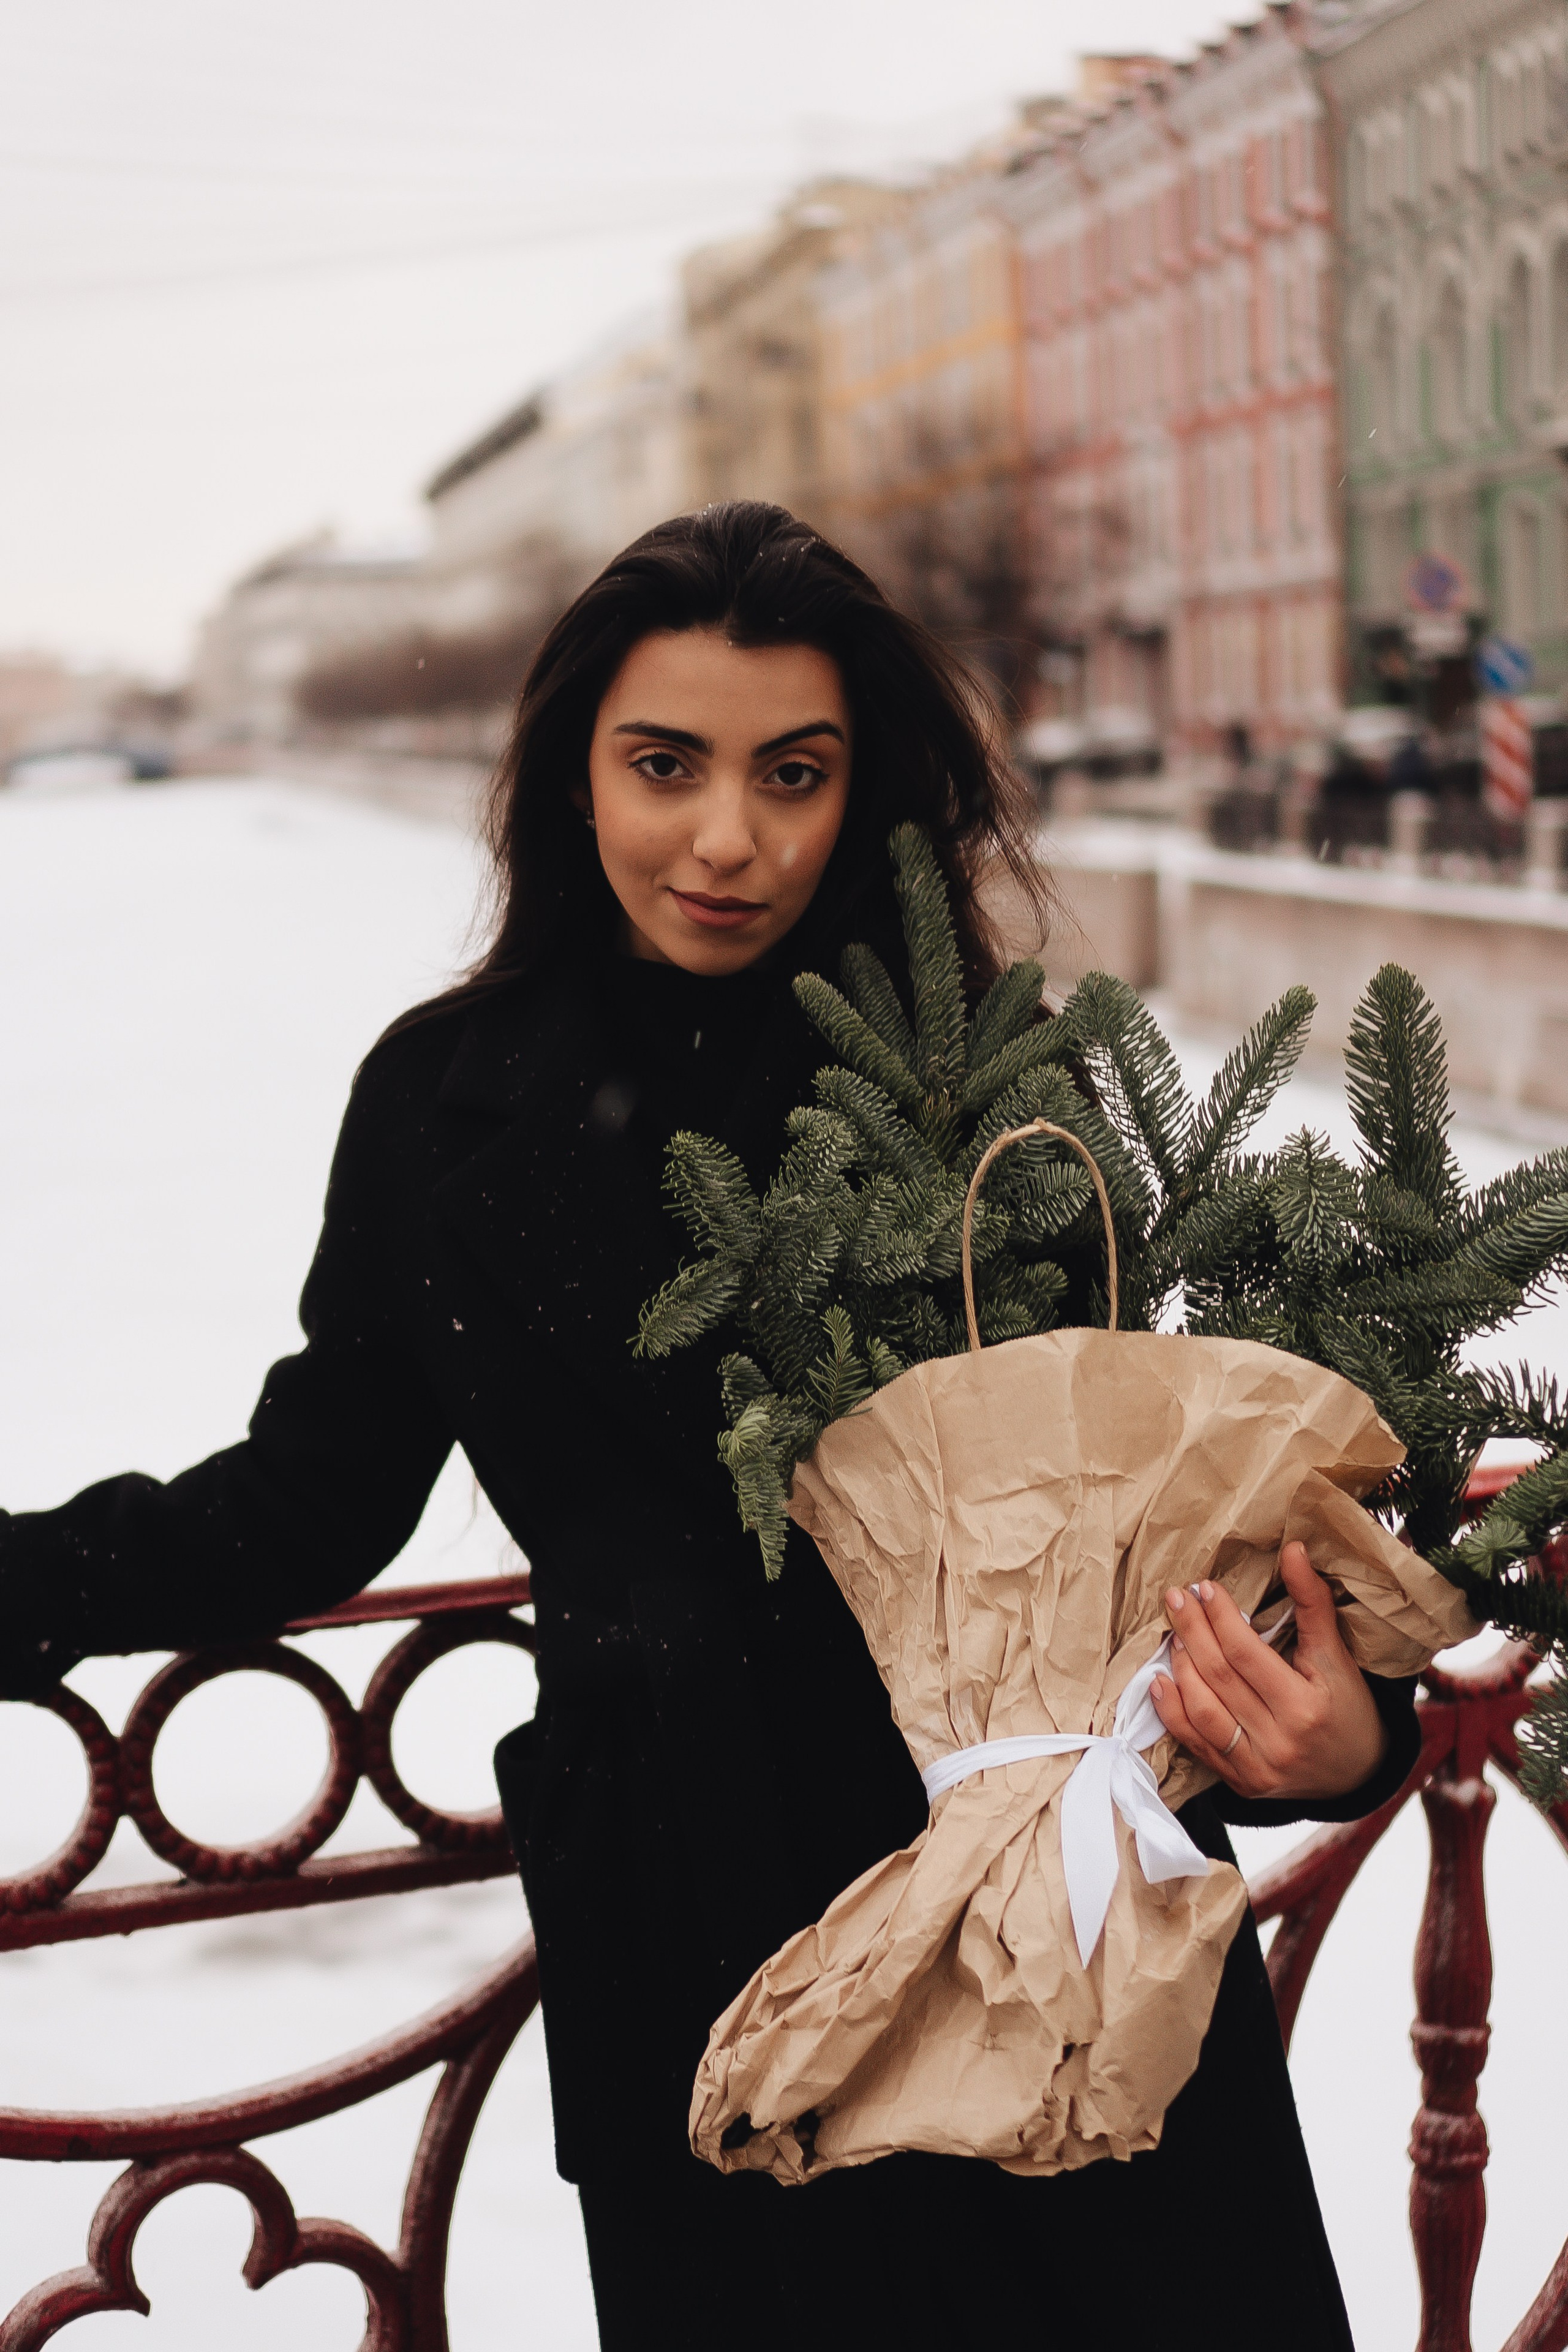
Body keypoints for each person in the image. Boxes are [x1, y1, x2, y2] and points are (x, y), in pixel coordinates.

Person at [1, 503, 1415, 2349]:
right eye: (663, 764)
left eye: (794, 773)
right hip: (712, 1954)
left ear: (865, 794)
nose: (726, 838)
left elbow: (1163, 1537)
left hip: (1068, 1934)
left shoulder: (991, 1086)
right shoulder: (447, 1102)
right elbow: (306, 1502)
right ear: (571, 770)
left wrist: (1342, 1736)